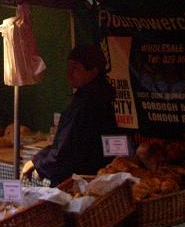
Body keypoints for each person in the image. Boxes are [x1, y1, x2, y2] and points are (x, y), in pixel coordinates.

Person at [22, 44, 118, 186]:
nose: (69, 73)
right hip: (88, 178)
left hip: (79, 180)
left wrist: (39, 163)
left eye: (76, 68)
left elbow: (66, 147)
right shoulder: (94, 97)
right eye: (69, 67)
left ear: (93, 71)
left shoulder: (88, 103)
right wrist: (38, 160)